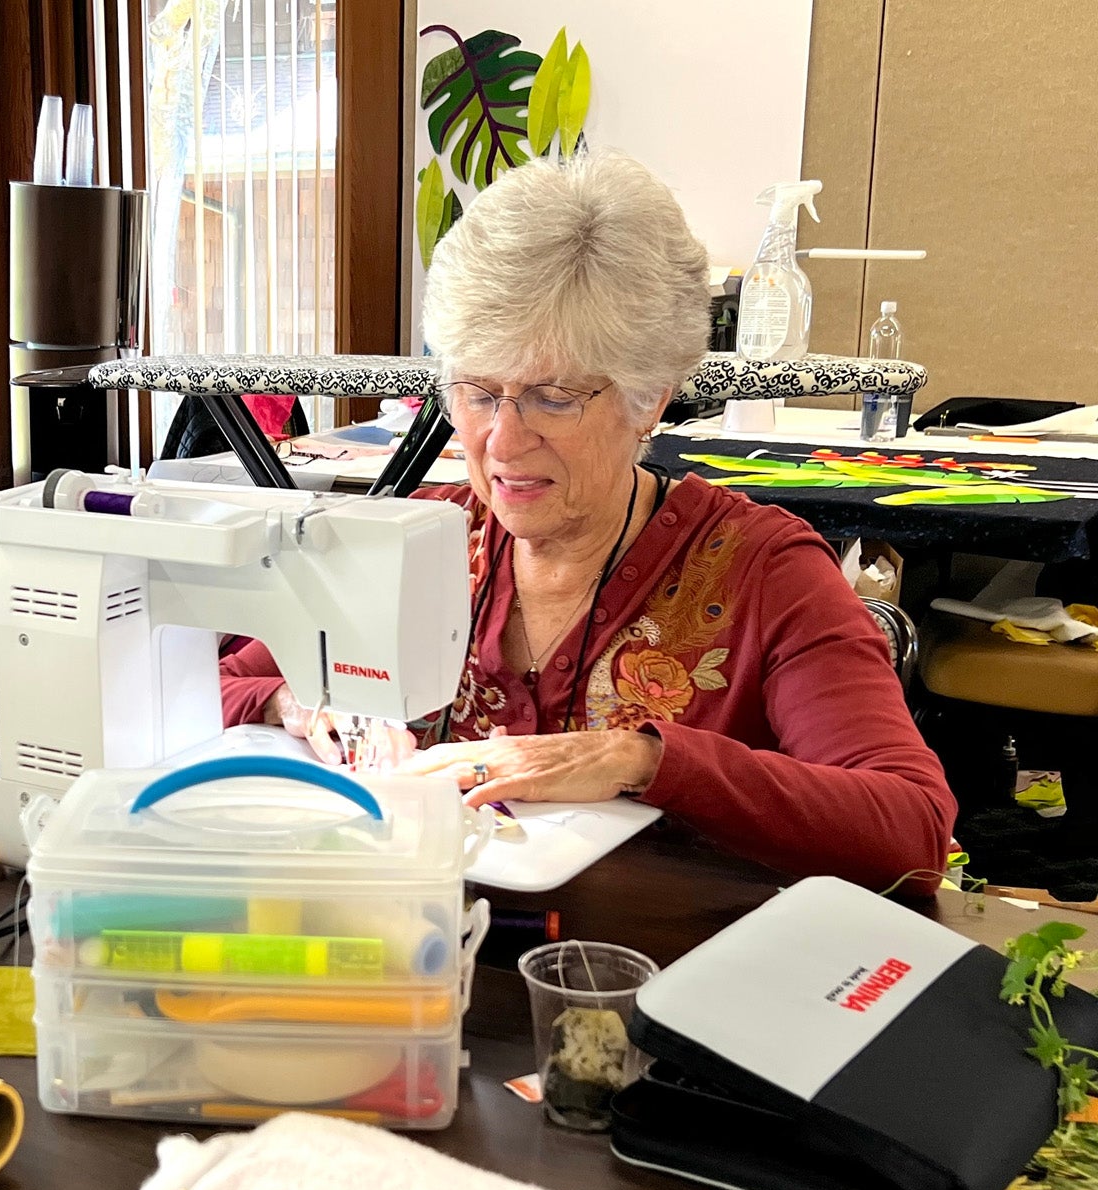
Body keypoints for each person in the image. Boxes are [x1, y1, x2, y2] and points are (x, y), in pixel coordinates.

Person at [220, 152, 955, 891]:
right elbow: (215, 682)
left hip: (666, 976)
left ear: (651, 399)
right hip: (439, 956)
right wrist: (293, 699)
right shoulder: (425, 534)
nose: (503, 442)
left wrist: (636, 759)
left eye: (554, 397)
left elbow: (911, 827)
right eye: (477, 392)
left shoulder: (764, 572)